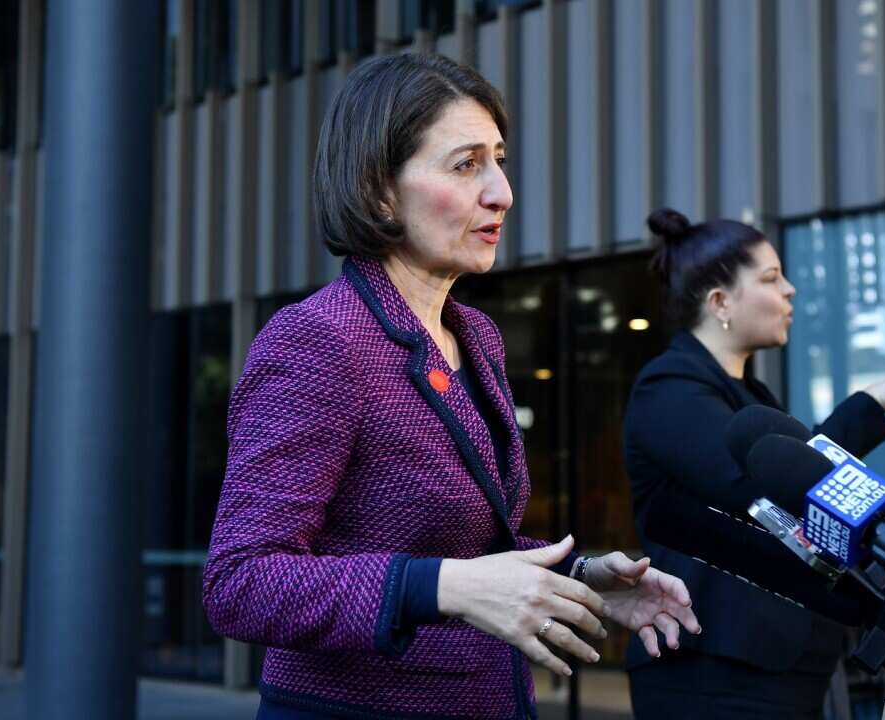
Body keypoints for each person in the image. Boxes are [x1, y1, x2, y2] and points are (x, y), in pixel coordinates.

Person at [202, 53, 700, 720]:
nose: (502, 192)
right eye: (466, 164)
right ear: (380, 189)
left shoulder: (477, 336)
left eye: (499, 159)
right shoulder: (319, 339)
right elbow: (241, 581)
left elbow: (471, 556)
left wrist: (576, 578)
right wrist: (442, 586)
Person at [623, 209, 885, 719]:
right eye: (772, 278)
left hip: (780, 669)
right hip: (711, 671)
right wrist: (873, 400)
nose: (790, 291)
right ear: (720, 302)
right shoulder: (670, 388)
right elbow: (758, 484)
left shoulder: (751, 394)